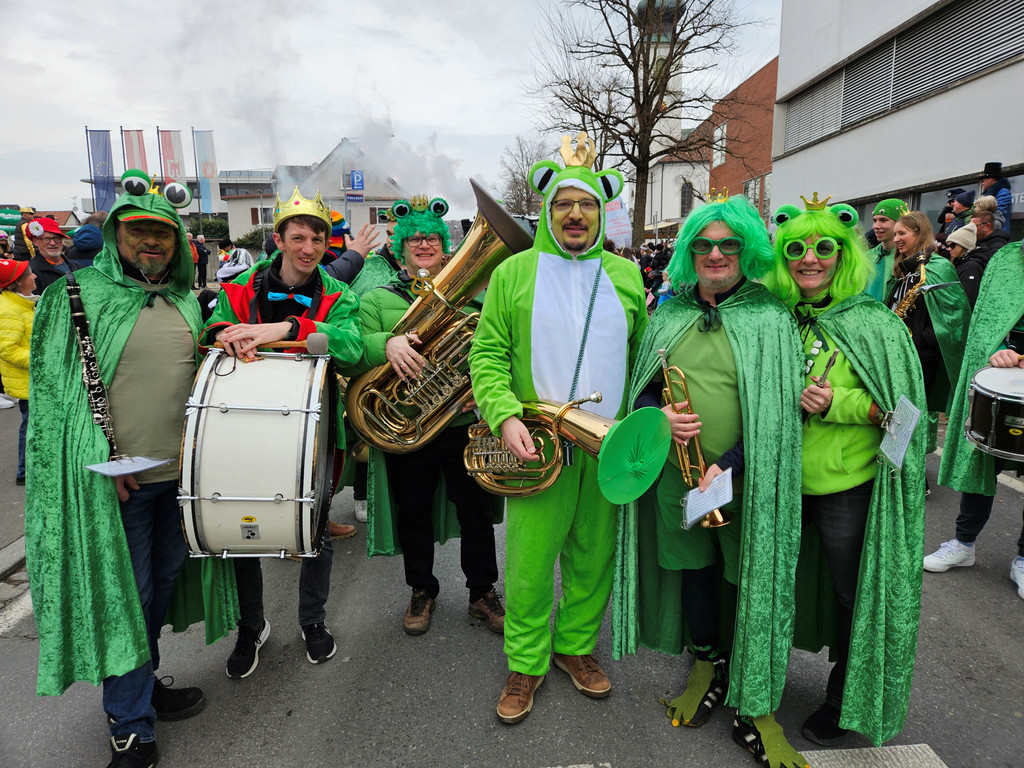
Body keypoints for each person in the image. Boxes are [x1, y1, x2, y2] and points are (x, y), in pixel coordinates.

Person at [23, 172, 237, 767]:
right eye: (138, 230)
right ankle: (129, 725)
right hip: (117, 484)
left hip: (179, 480)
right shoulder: (76, 295)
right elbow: (56, 400)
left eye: (161, 234)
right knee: (128, 597)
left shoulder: (181, 301)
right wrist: (102, 458)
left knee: (161, 588)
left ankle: (142, 688)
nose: (150, 242)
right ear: (116, 233)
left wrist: (215, 339)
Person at [614, 193, 806, 766]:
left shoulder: (770, 316)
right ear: (688, 253)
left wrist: (733, 463)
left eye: (727, 244)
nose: (715, 253)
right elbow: (646, 383)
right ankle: (706, 665)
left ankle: (754, 695)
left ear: (746, 250)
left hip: (748, 478)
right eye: (703, 244)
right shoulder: (669, 312)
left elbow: (778, 409)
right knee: (695, 570)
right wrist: (659, 416)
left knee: (750, 579)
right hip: (680, 478)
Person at [469, 132, 648, 724]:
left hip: (606, 448)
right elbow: (489, 353)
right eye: (564, 204)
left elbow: (645, 353)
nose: (575, 214)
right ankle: (526, 662)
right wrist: (503, 414)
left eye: (587, 205)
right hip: (535, 444)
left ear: (603, 211)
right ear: (547, 210)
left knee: (593, 557)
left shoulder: (626, 277)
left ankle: (574, 648)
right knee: (527, 562)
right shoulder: (514, 274)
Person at [762, 196, 927, 748]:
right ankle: (756, 682)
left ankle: (842, 699)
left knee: (852, 595)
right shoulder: (772, 318)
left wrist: (840, 401)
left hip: (844, 487)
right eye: (797, 249)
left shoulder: (873, 323)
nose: (810, 259)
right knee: (763, 583)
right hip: (778, 479)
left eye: (824, 248)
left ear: (843, 255)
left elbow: (903, 413)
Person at [200, 186, 363, 677]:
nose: (309, 247)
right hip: (242, 425)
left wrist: (289, 328)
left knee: (315, 530)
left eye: (318, 238)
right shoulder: (241, 286)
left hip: (311, 428)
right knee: (243, 527)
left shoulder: (338, 294)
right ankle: (251, 627)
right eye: (299, 237)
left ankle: (312, 620)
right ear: (279, 239)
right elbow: (207, 333)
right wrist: (222, 337)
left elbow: (352, 346)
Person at [342, 194, 505, 636]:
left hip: (462, 425)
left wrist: (480, 389)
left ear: (445, 245)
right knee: (413, 512)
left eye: (432, 238)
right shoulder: (378, 299)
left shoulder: (476, 296)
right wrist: (387, 345)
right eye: (415, 239)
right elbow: (352, 353)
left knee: (475, 510)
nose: (425, 245)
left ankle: (482, 592)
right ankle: (422, 589)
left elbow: (494, 348)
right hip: (408, 427)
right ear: (401, 246)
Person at [931, 240, 1024, 600]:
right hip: (999, 378)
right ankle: (964, 542)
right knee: (981, 457)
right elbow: (986, 321)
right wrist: (995, 350)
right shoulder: (1007, 257)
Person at [886, 211, 969, 433]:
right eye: (895, 234)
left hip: (922, 358)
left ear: (919, 233)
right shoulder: (904, 266)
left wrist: (921, 340)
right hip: (899, 354)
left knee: (913, 418)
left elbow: (955, 320)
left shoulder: (939, 267)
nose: (896, 239)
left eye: (902, 233)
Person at [0, 259, 37, 484]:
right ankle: (24, 472)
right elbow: (8, 350)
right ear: (18, 282)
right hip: (27, 379)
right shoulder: (9, 310)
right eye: (30, 274)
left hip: (31, 378)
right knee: (31, 424)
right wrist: (41, 360)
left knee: (33, 423)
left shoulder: (21, 303)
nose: (34, 276)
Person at [864, 198, 905, 301]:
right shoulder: (868, 256)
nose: (876, 226)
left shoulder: (909, 257)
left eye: (883, 220)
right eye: (874, 221)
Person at [27, 216, 79, 294]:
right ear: (35, 241)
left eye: (56, 238)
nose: (53, 243)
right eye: (46, 239)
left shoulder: (77, 267)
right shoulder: (30, 273)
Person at [980, 162, 1012, 233]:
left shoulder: (1003, 192)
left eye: (983, 181)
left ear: (990, 180)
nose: (982, 184)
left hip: (999, 233)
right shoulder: (990, 193)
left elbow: (999, 213)